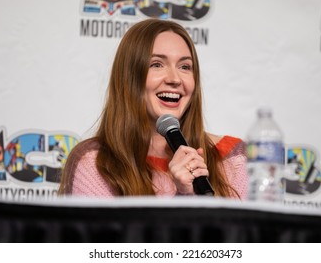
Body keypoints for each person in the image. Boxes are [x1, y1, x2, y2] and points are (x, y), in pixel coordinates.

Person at [58, 18, 248, 198]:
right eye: (157, 64)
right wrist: (182, 196)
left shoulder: (233, 159)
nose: (174, 79)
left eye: (185, 66)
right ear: (129, 78)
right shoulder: (95, 162)